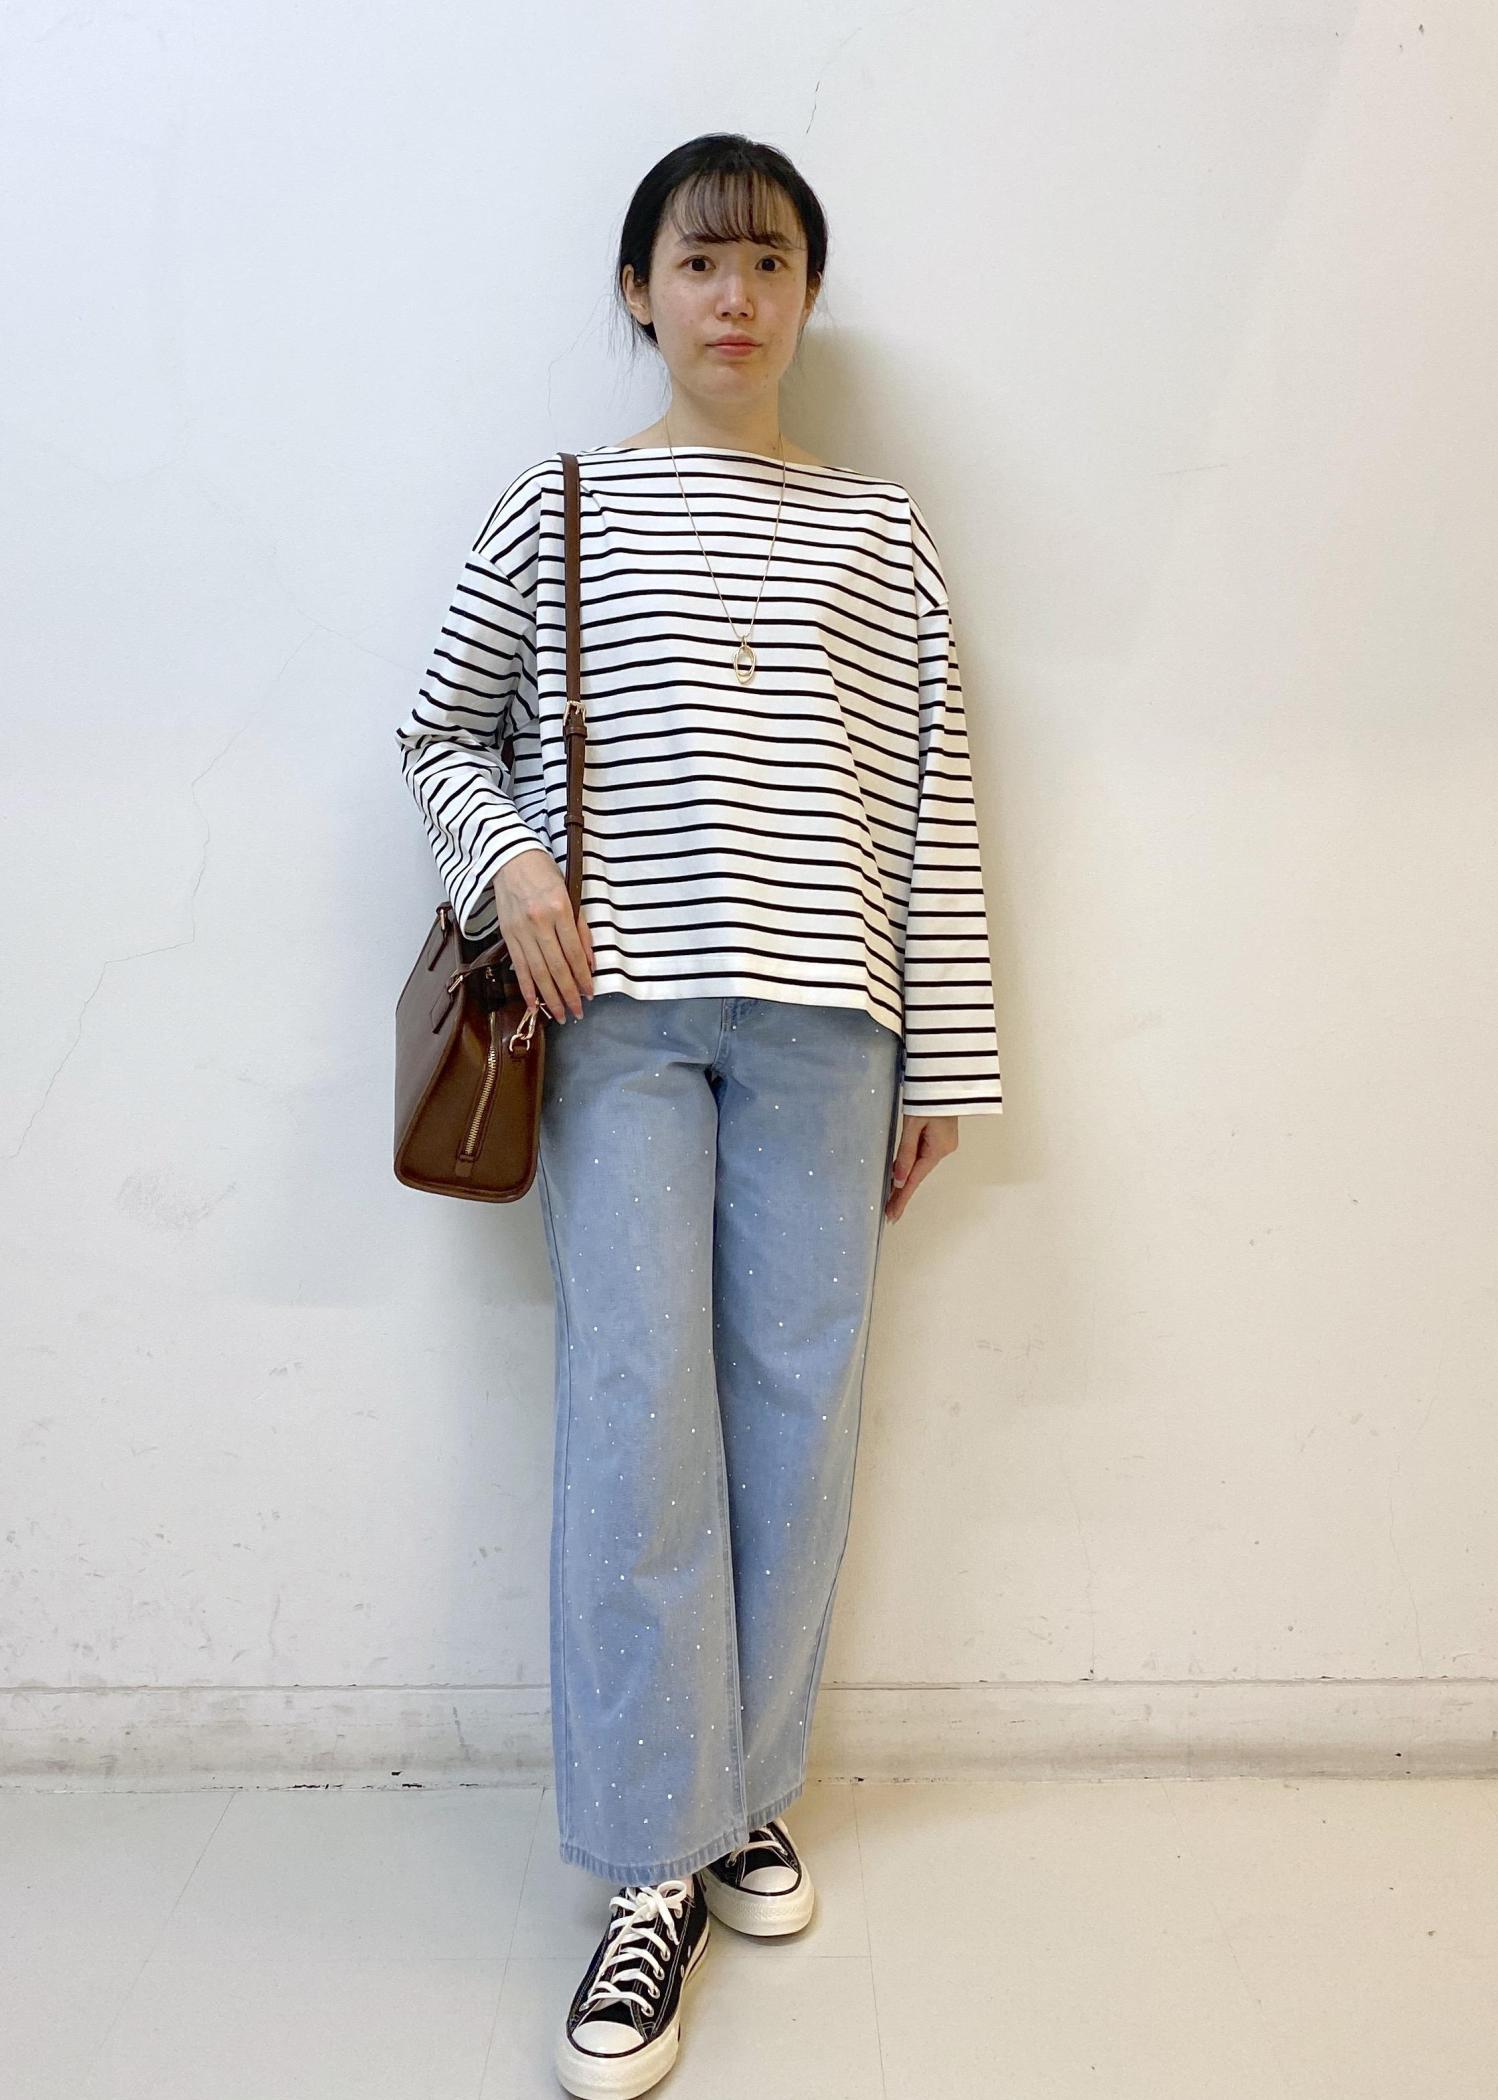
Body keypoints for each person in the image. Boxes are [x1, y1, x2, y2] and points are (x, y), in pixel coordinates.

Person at [395, 131, 1004, 2100]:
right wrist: (513, 865)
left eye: (770, 263)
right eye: (697, 260)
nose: (735, 297)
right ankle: (650, 1862)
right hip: (624, 1024)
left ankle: (740, 1794)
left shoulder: (883, 536)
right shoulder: (559, 503)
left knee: (796, 1419)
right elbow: (438, 728)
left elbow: (933, 800)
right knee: (638, 1411)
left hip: (832, 1031)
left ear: (808, 294)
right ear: (638, 291)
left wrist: (946, 1060)